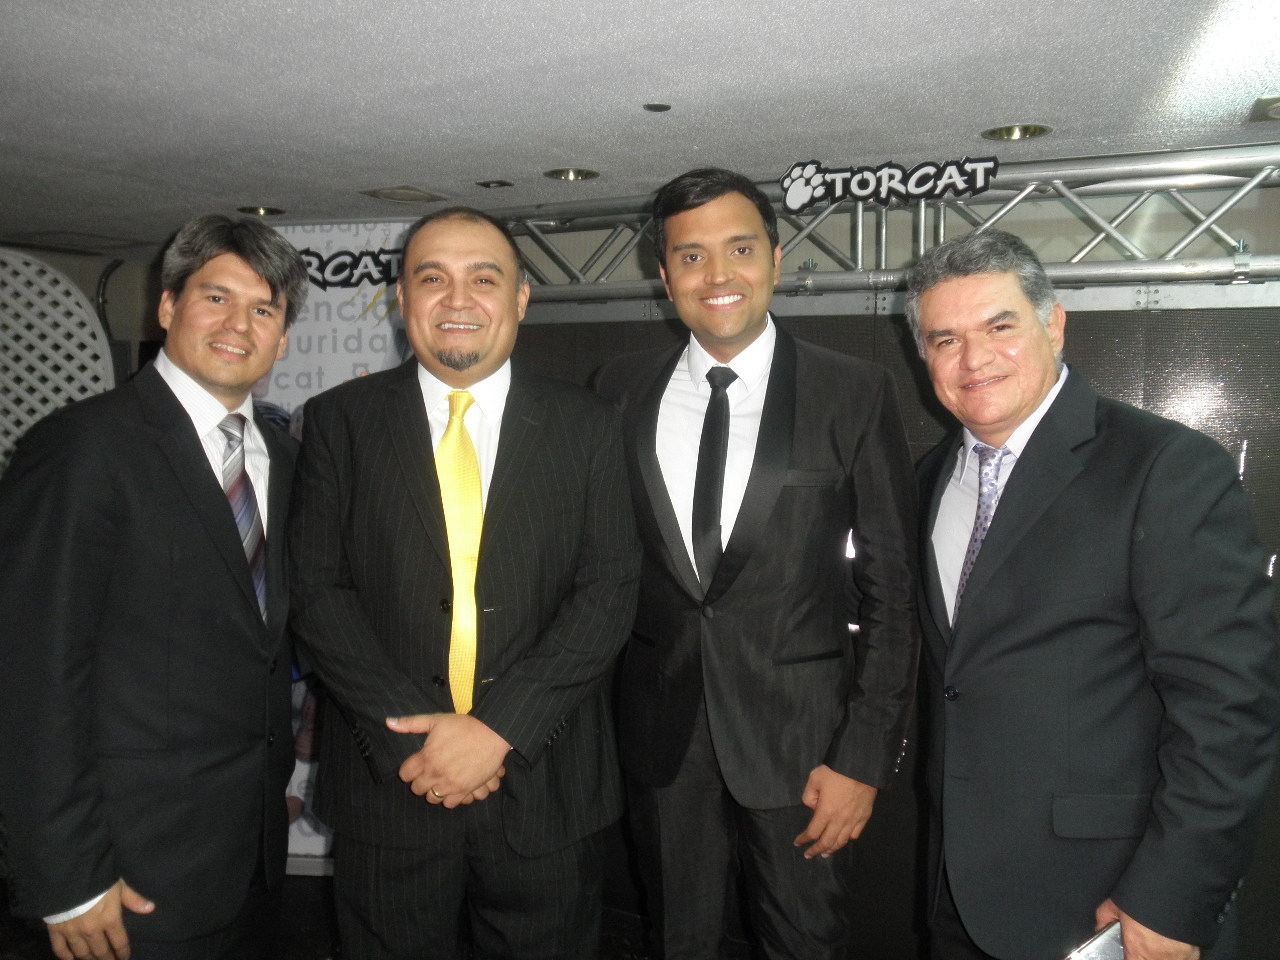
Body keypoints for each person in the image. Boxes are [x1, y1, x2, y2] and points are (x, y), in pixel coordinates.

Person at [907, 229, 1278, 960]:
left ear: (1054, 324)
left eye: (999, 326)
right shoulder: (928, 480)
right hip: (957, 893)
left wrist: (1173, 894)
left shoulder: (1164, 467)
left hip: (1111, 902)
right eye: (945, 339)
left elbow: (1228, 705)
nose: (973, 359)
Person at [287, 206, 639, 960]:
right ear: (401, 298)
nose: (457, 300)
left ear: (520, 298)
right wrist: (421, 739)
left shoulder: (590, 425)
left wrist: (498, 729)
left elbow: (608, 590)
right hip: (391, 782)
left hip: (546, 785)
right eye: (432, 279)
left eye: (484, 279)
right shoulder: (337, 421)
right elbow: (316, 591)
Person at [594, 168, 919, 960]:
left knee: (804, 944)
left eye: (739, 249)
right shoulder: (618, 390)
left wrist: (862, 758)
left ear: (775, 258)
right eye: (691, 255)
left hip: (806, 747)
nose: (718, 274)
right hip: (662, 741)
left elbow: (894, 591)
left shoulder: (854, 390)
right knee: (677, 941)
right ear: (664, 273)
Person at [0, 214, 308, 960]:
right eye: (216, 298)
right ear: (167, 307)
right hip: (122, 872)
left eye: (264, 310)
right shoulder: (82, 447)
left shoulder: (285, 458)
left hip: (249, 865)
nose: (238, 325)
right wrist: (66, 877)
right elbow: (29, 675)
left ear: (282, 339)